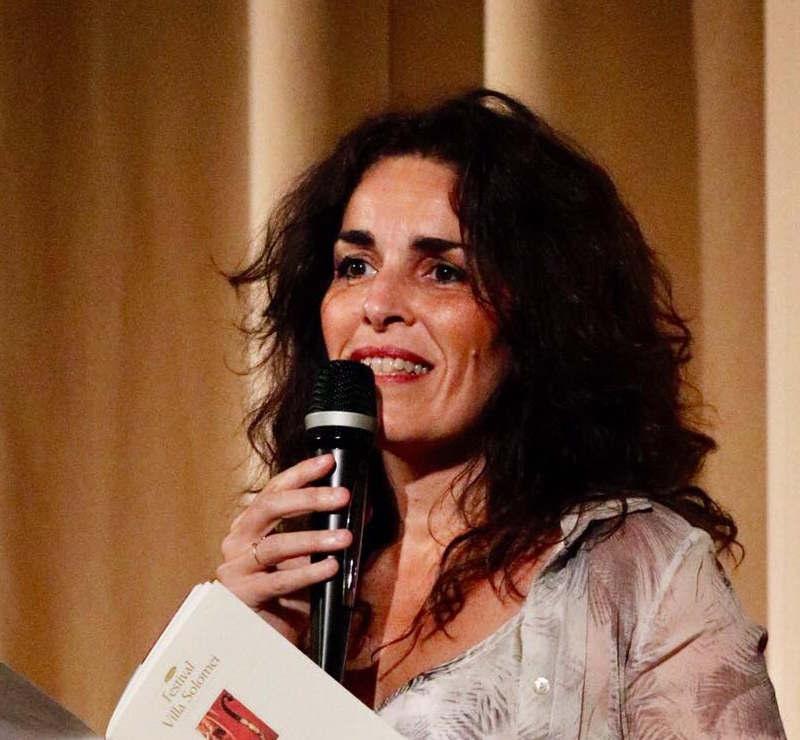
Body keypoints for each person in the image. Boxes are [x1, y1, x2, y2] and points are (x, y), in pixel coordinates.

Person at [216, 89, 785, 739]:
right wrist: (229, 656)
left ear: (539, 317)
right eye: (355, 265)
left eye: (442, 272)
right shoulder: (289, 582)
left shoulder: (638, 572)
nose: (378, 304)